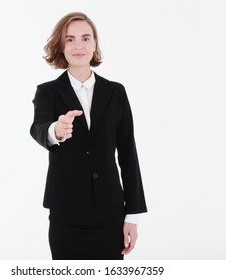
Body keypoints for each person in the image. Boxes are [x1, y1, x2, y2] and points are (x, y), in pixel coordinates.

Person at [30, 12, 147, 260]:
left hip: (110, 213)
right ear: (61, 46)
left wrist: (133, 216)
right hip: (66, 214)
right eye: (70, 39)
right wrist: (55, 131)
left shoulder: (116, 92)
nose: (78, 46)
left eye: (85, 38)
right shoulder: (48, 92)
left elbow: (128, 153)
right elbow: (38, 128)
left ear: (95, 44)